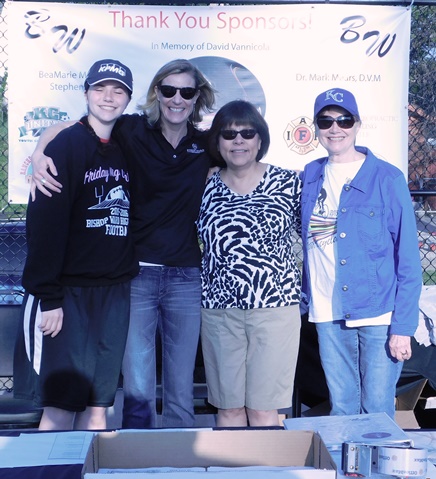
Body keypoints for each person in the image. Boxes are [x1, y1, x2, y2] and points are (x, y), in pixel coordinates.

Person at [30, 59, 216, 428]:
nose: (177, 99)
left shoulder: (206, 144)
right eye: (168, 90)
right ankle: (137, 464)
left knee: (180, 387)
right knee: (138, 388)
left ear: (197, 97)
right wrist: (39, 151)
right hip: (137, 275)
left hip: (185, 276)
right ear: (156, 95)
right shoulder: (133, 131)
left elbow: (244, 148)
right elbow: (73, 128)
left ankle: (177, 466)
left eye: (186, 92)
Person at [14, 59, 139, 430]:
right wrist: (49, 297)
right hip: (67, 295)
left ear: (128, 98)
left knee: (99, 405)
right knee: (60, 405)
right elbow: (44, 228)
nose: (108, 97)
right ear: (86, 93)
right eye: (100, 89)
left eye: (118, 91)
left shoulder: (127, 143)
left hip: (113, 291)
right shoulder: (65, 147)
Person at [300, 87, 422, 419]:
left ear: (357, 124)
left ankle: (376, 472)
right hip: (327, 312)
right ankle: (347, 472)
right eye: (326, 121)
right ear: (316, 128)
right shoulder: (309, 176)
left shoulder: (387, 179)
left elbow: (409, 260)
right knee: (342, 407)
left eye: (344, 120)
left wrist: (403, 326)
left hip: (379, 315)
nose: (335, 128)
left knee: (377, 410)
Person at [196, 100, 302, 427]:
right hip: (218, 311)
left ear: (260, 139)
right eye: (228, 134)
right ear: (217, 142)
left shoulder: (291, 184)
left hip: (275, 310)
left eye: (247, 132)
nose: (238, 140)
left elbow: (317, 239)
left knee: (263, 410)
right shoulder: (203, 187)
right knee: (227, 409)